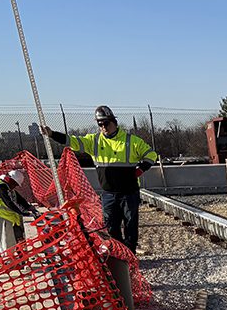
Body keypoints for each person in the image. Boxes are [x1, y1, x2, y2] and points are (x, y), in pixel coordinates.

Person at [41, 106, 157, 253]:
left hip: (129, 192)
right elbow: (72, 141)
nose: (103, 127)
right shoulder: (94, 141)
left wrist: (141, 168)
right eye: (100, 124)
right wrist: (52, 134)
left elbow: (151, 154)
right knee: (111, 226)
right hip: (108, 193)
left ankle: (130, 253)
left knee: (130, 225)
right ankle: (119, 252)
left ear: (114, 121)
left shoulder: (131, 141)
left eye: (106, 123)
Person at [0, 168, 35, 253]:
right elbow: (9, 202)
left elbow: (18, 198)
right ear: (10, 180)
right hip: (0, 217)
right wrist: (23, 213)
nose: (15, 186)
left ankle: (10, 262)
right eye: (15, 184)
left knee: (8, 244)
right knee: (7, 245)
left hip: (3, 217)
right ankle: (9, 263)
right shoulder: (1, 186)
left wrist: (28, 207)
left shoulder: (6, 186)